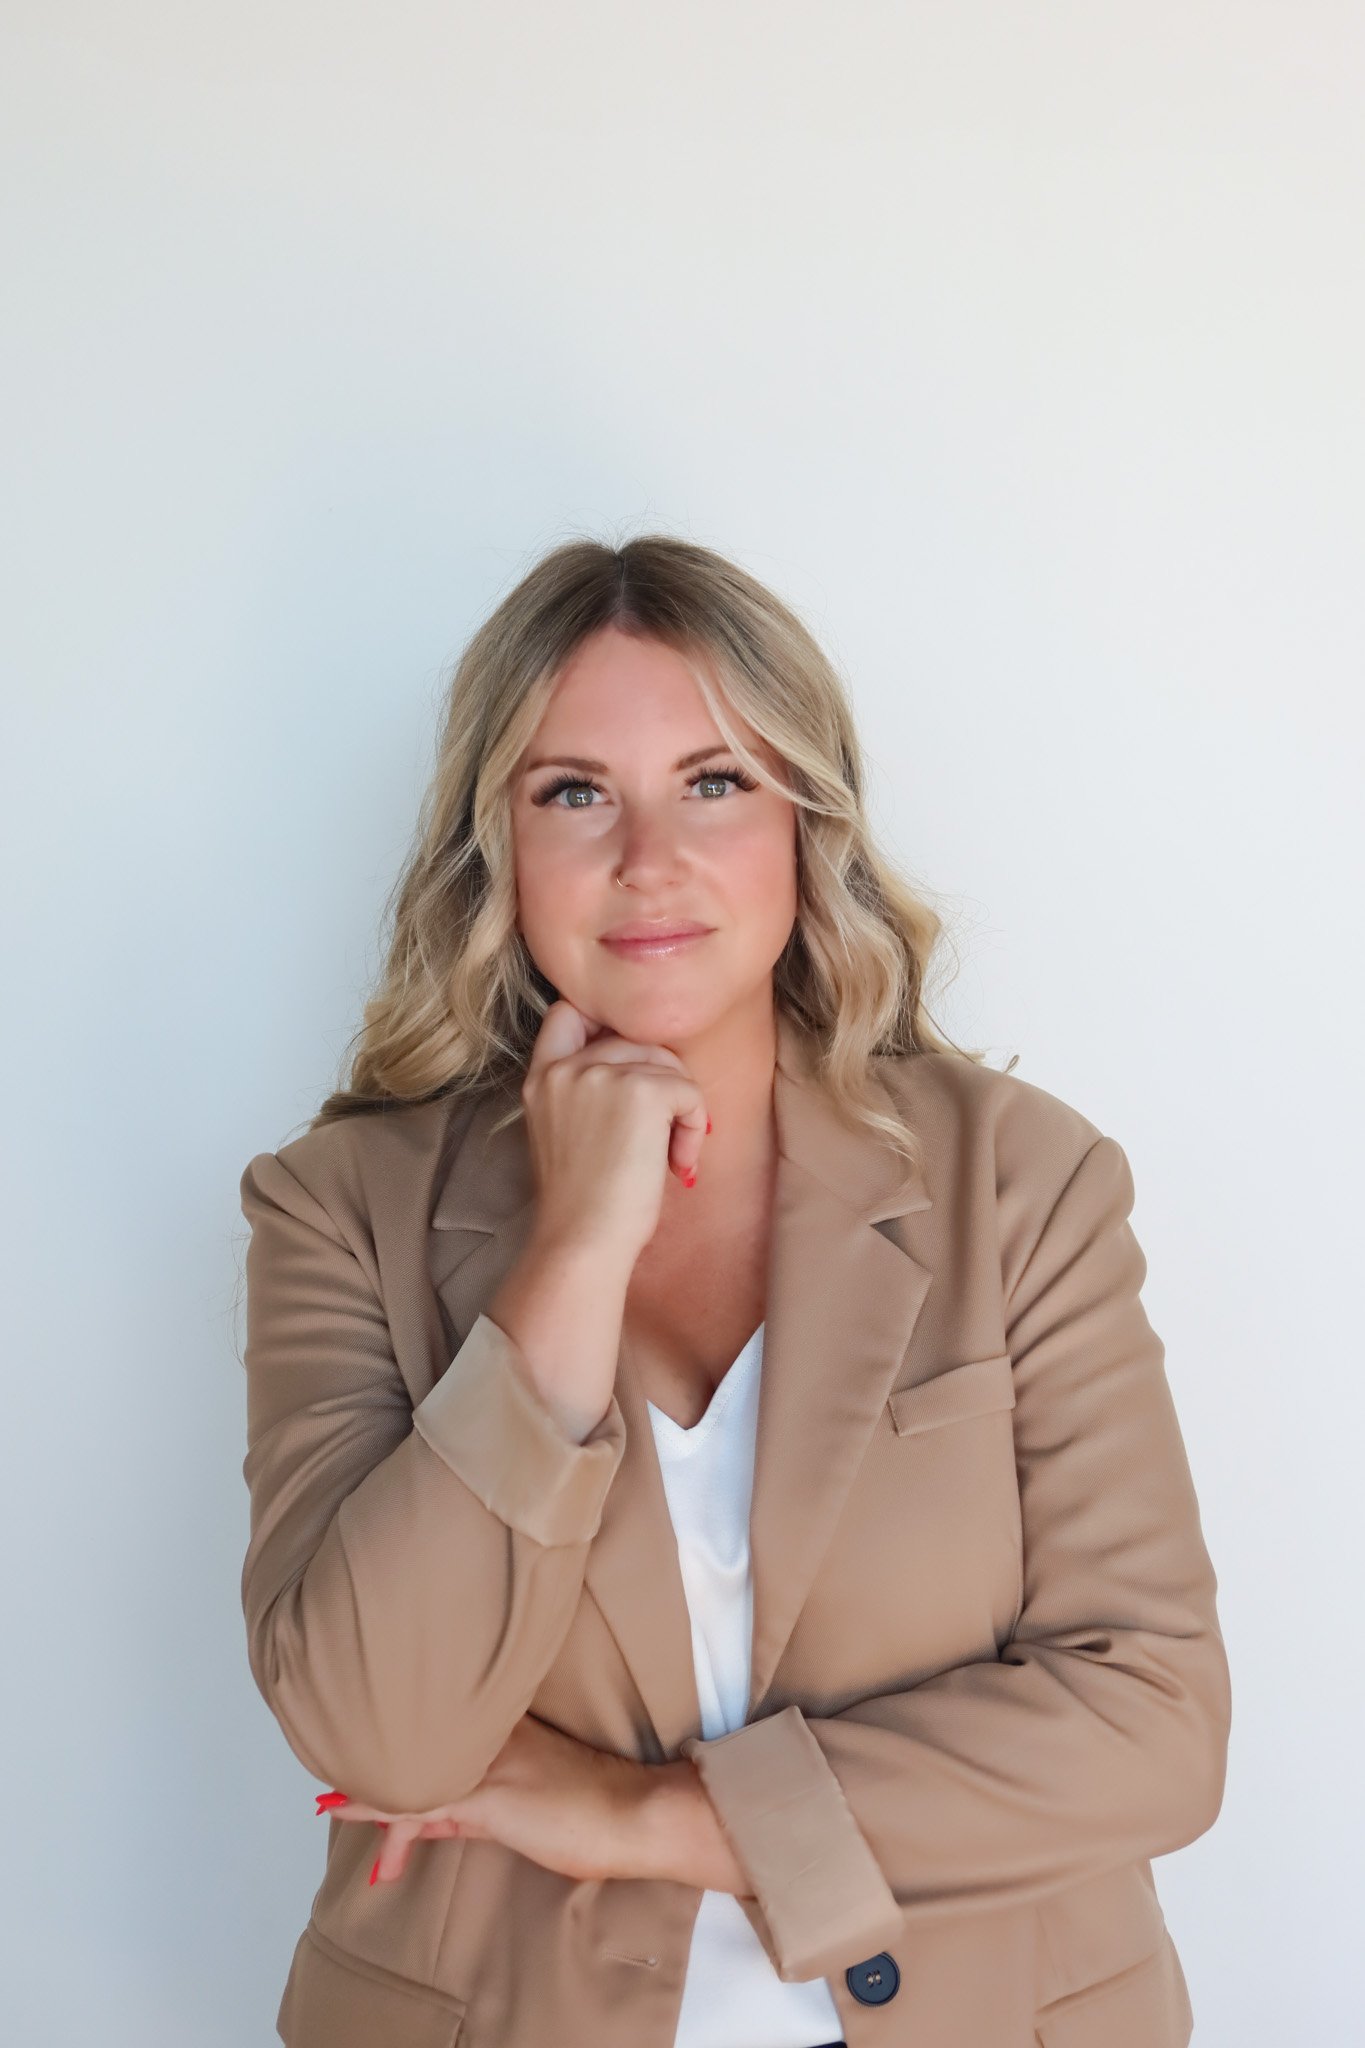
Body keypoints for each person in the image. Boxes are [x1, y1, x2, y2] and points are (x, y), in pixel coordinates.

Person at [237, 534, 1231, 2048]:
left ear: (805, 826)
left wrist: (640, 1819)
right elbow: (385, 1732)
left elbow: (1153, 1726)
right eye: (574, 793)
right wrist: (574, 1250)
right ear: (499, 849)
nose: (649, 858)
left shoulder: (1017, 1179)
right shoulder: (338, 1208)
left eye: (713, 782)